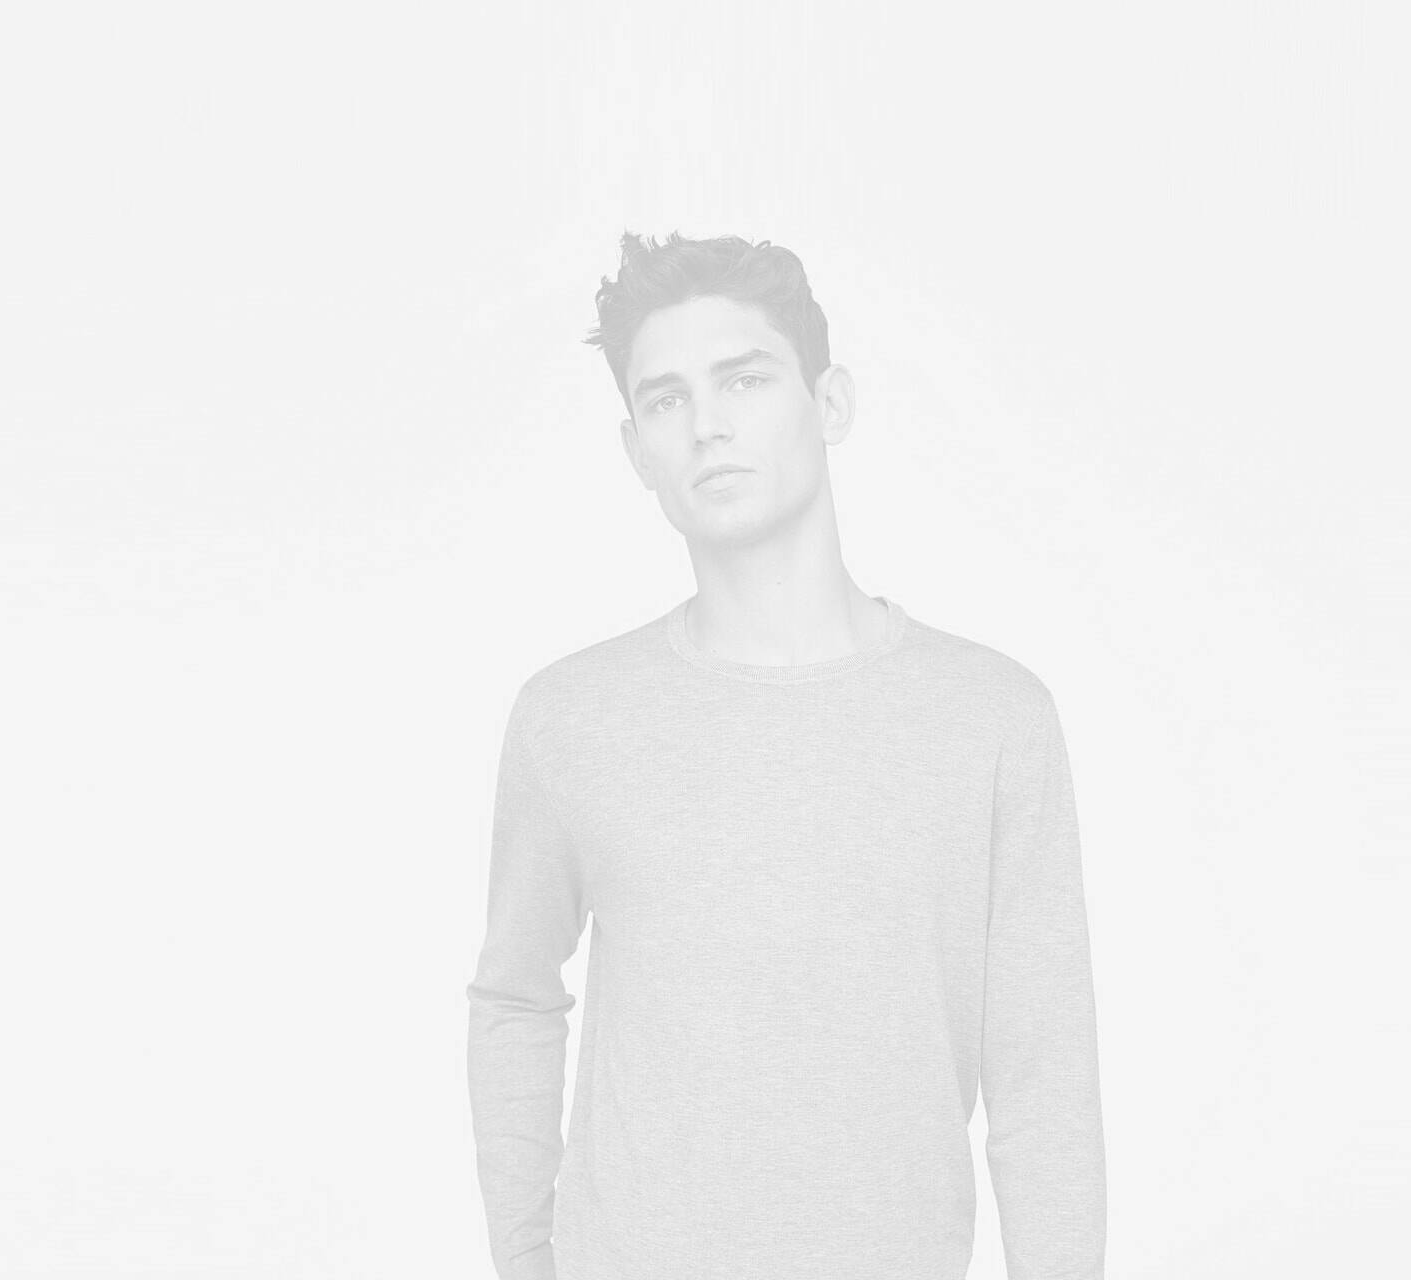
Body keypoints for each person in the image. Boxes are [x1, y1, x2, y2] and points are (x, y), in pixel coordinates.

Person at [466, 230, 1107, 1280]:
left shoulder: (991, 719)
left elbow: (1044, 1081)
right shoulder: (570, 719)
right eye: (666, 399)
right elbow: (515, 998)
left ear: (830, 402)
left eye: (745, 379)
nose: (707, 425)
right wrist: (527, 1263)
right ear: (637, 452)